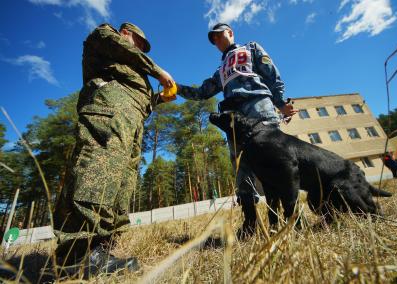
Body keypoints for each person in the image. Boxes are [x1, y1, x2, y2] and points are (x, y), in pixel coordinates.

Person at [53, 22, 175, 274]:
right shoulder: (105, 36)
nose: (141, 50)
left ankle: (103, 245)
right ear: (126, 33)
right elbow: (121, 49)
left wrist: (158, 99)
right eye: (139, 43)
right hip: (108, 116)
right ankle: (77, 255)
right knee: (97, 170)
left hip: (131, 126)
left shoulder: (132, 69)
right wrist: (157, 70)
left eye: (143, 48)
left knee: (120, 182)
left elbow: (141, 104)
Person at [174, 23, 297, 236]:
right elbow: (201, 92)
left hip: (260, 107)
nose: (217, 41)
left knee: (275, 160)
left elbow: (272, 75)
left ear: (230, 32)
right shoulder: (220, 71)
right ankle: (250, 222)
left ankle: (285, 218)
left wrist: (279, 102)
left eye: (219, 36)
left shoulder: (251, 48)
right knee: (242, 167)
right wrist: (175, 88)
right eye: (214, 40)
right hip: (235, 119)